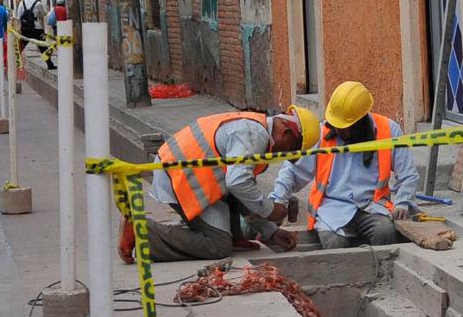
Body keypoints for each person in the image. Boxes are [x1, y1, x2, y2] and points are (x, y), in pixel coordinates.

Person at [119, 105, 322, 263]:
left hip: (189, 175)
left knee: (240, 190)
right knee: (217, 247)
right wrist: (270, 210)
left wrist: (270, 231)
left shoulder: (256, 128)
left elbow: (242, 188)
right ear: (287, 133)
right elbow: (237, 183)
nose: (288, 157)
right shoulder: (255, 135)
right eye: (293, 150)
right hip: (180, 179)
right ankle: (144, 232)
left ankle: (233, 235)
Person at [269, 81, 418, 248]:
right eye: (336, 125)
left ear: (360, 121)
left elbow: (408, 174)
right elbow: (292, 171)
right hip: (331, 209)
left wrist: (403, 202)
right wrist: (278, 201)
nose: (339, 131)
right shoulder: (321, 134)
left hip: (373, 207)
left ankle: (382, 274)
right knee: (334, 243)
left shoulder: (389, 130)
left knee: (385, 233)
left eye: (344, 127)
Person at [13, 0, 53, 69]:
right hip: (36, 29)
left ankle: (12, 62)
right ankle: (49, 64)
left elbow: (18, 16)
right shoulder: (38, 3)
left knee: (20, 47)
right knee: (43, 47)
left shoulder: (22, 3)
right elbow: (43, 14)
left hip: (25, 29)